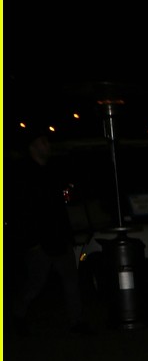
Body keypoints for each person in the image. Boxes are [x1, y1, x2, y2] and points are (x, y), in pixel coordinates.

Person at [7, 128, 93, 336]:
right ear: (33, 147)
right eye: (43, 142)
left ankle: (76, 321)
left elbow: (59, 207)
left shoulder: (52, 171)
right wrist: (31, 241)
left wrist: (68, 234)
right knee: (35, 283)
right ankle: (16, 315)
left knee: (71, 279)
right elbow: (21, 211)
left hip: (58, 237)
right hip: (39, 241)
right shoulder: (24, 175)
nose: (48, 146)